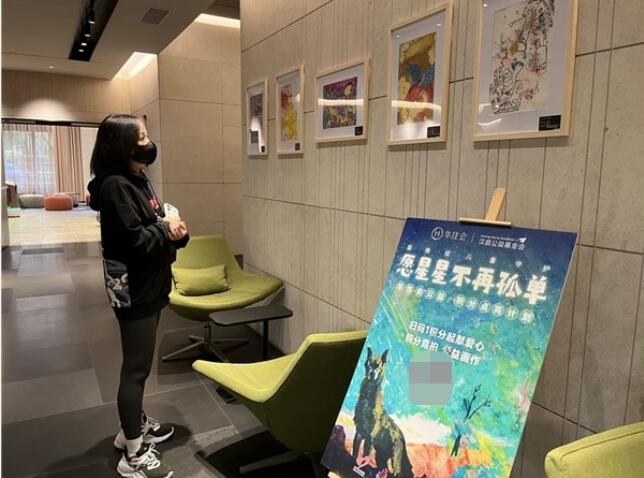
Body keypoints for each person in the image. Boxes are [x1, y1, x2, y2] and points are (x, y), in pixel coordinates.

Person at [88, 114, 189, 478]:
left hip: (150, 284)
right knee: (135, 369)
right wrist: (166, 228)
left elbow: (153, 222)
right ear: (123, 146)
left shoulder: (138, 177)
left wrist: (173, 230)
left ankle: (132, 427)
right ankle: (133, 456)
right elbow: (134, 241)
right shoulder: (116, 186)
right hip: (134, 289)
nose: (148, 143)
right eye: (142, 137)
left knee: (139, 366)